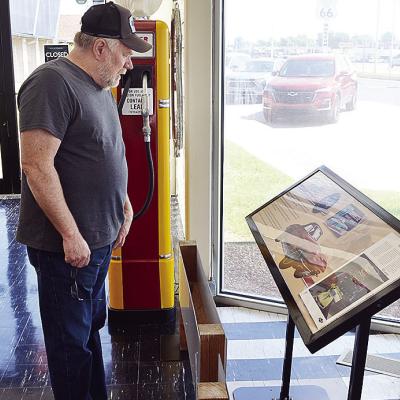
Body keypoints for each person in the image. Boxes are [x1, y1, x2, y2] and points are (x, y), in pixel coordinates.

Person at [16, 2, 152, 399]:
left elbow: (104, 151)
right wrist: (72, 235)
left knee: (90, 331)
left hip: (98, 240)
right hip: (68, 248)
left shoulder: (98, 86)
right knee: (69, 346)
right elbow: (36, 166)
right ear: (101, 48)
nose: (129, 64)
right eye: (125, 53)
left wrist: (123, 204)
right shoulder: (51, 84)